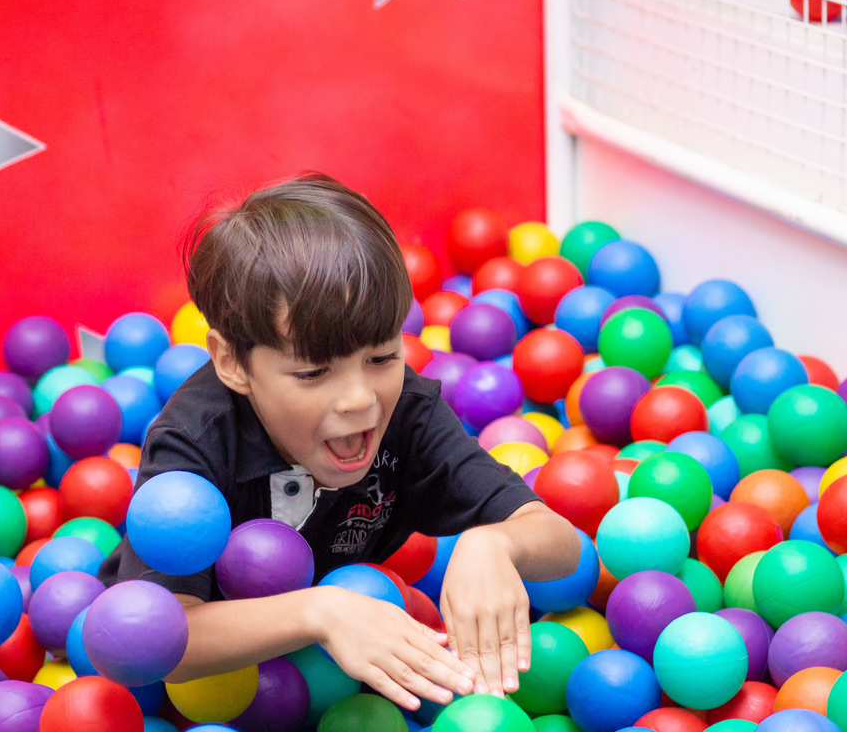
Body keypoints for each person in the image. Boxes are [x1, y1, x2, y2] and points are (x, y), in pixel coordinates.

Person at [98, 173, 581, 711]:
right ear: (233, 361)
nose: (358, 399)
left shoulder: (409, 414)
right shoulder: (197, 439)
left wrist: (495, 543)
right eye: (312, 373)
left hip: (338, 686)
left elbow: (561, 544)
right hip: (200, 694)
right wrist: (322, 612)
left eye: (381, 358)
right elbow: (165, 634)